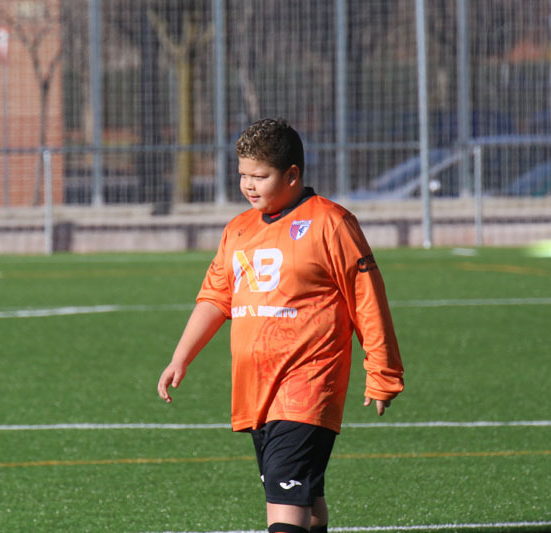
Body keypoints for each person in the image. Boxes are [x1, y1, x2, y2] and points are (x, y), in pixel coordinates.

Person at [157, 118, 404, 533]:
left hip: (309, 382)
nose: (249, 186)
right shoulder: (238, 229)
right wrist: (180, 357)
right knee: (305, 499)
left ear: (292, 175)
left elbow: (368, 300)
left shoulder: (330, 222)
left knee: (284, 508)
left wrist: (383, 372)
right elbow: (216, 298)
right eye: (243, 176)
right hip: (256, 388)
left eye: (260, 177)